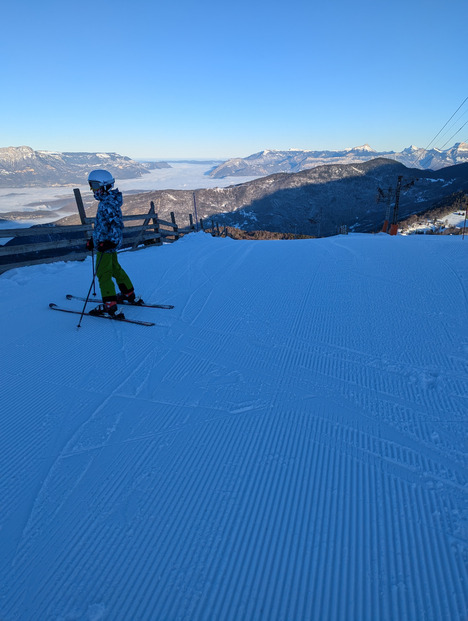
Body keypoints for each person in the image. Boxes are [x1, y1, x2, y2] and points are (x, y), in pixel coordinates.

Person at [86, 169, 140, 318]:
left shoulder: (106, 204)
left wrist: (110, 242)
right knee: (115, 269)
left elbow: (116, 225)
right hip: (106, 243)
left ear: (105, 185)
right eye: (91, 186)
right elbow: (103, 226)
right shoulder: (109, 201)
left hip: (106, 245)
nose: (93, 190)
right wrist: (94, 240)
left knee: (104, 274)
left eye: (95, 185)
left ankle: (110, 306)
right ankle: (129, 294)